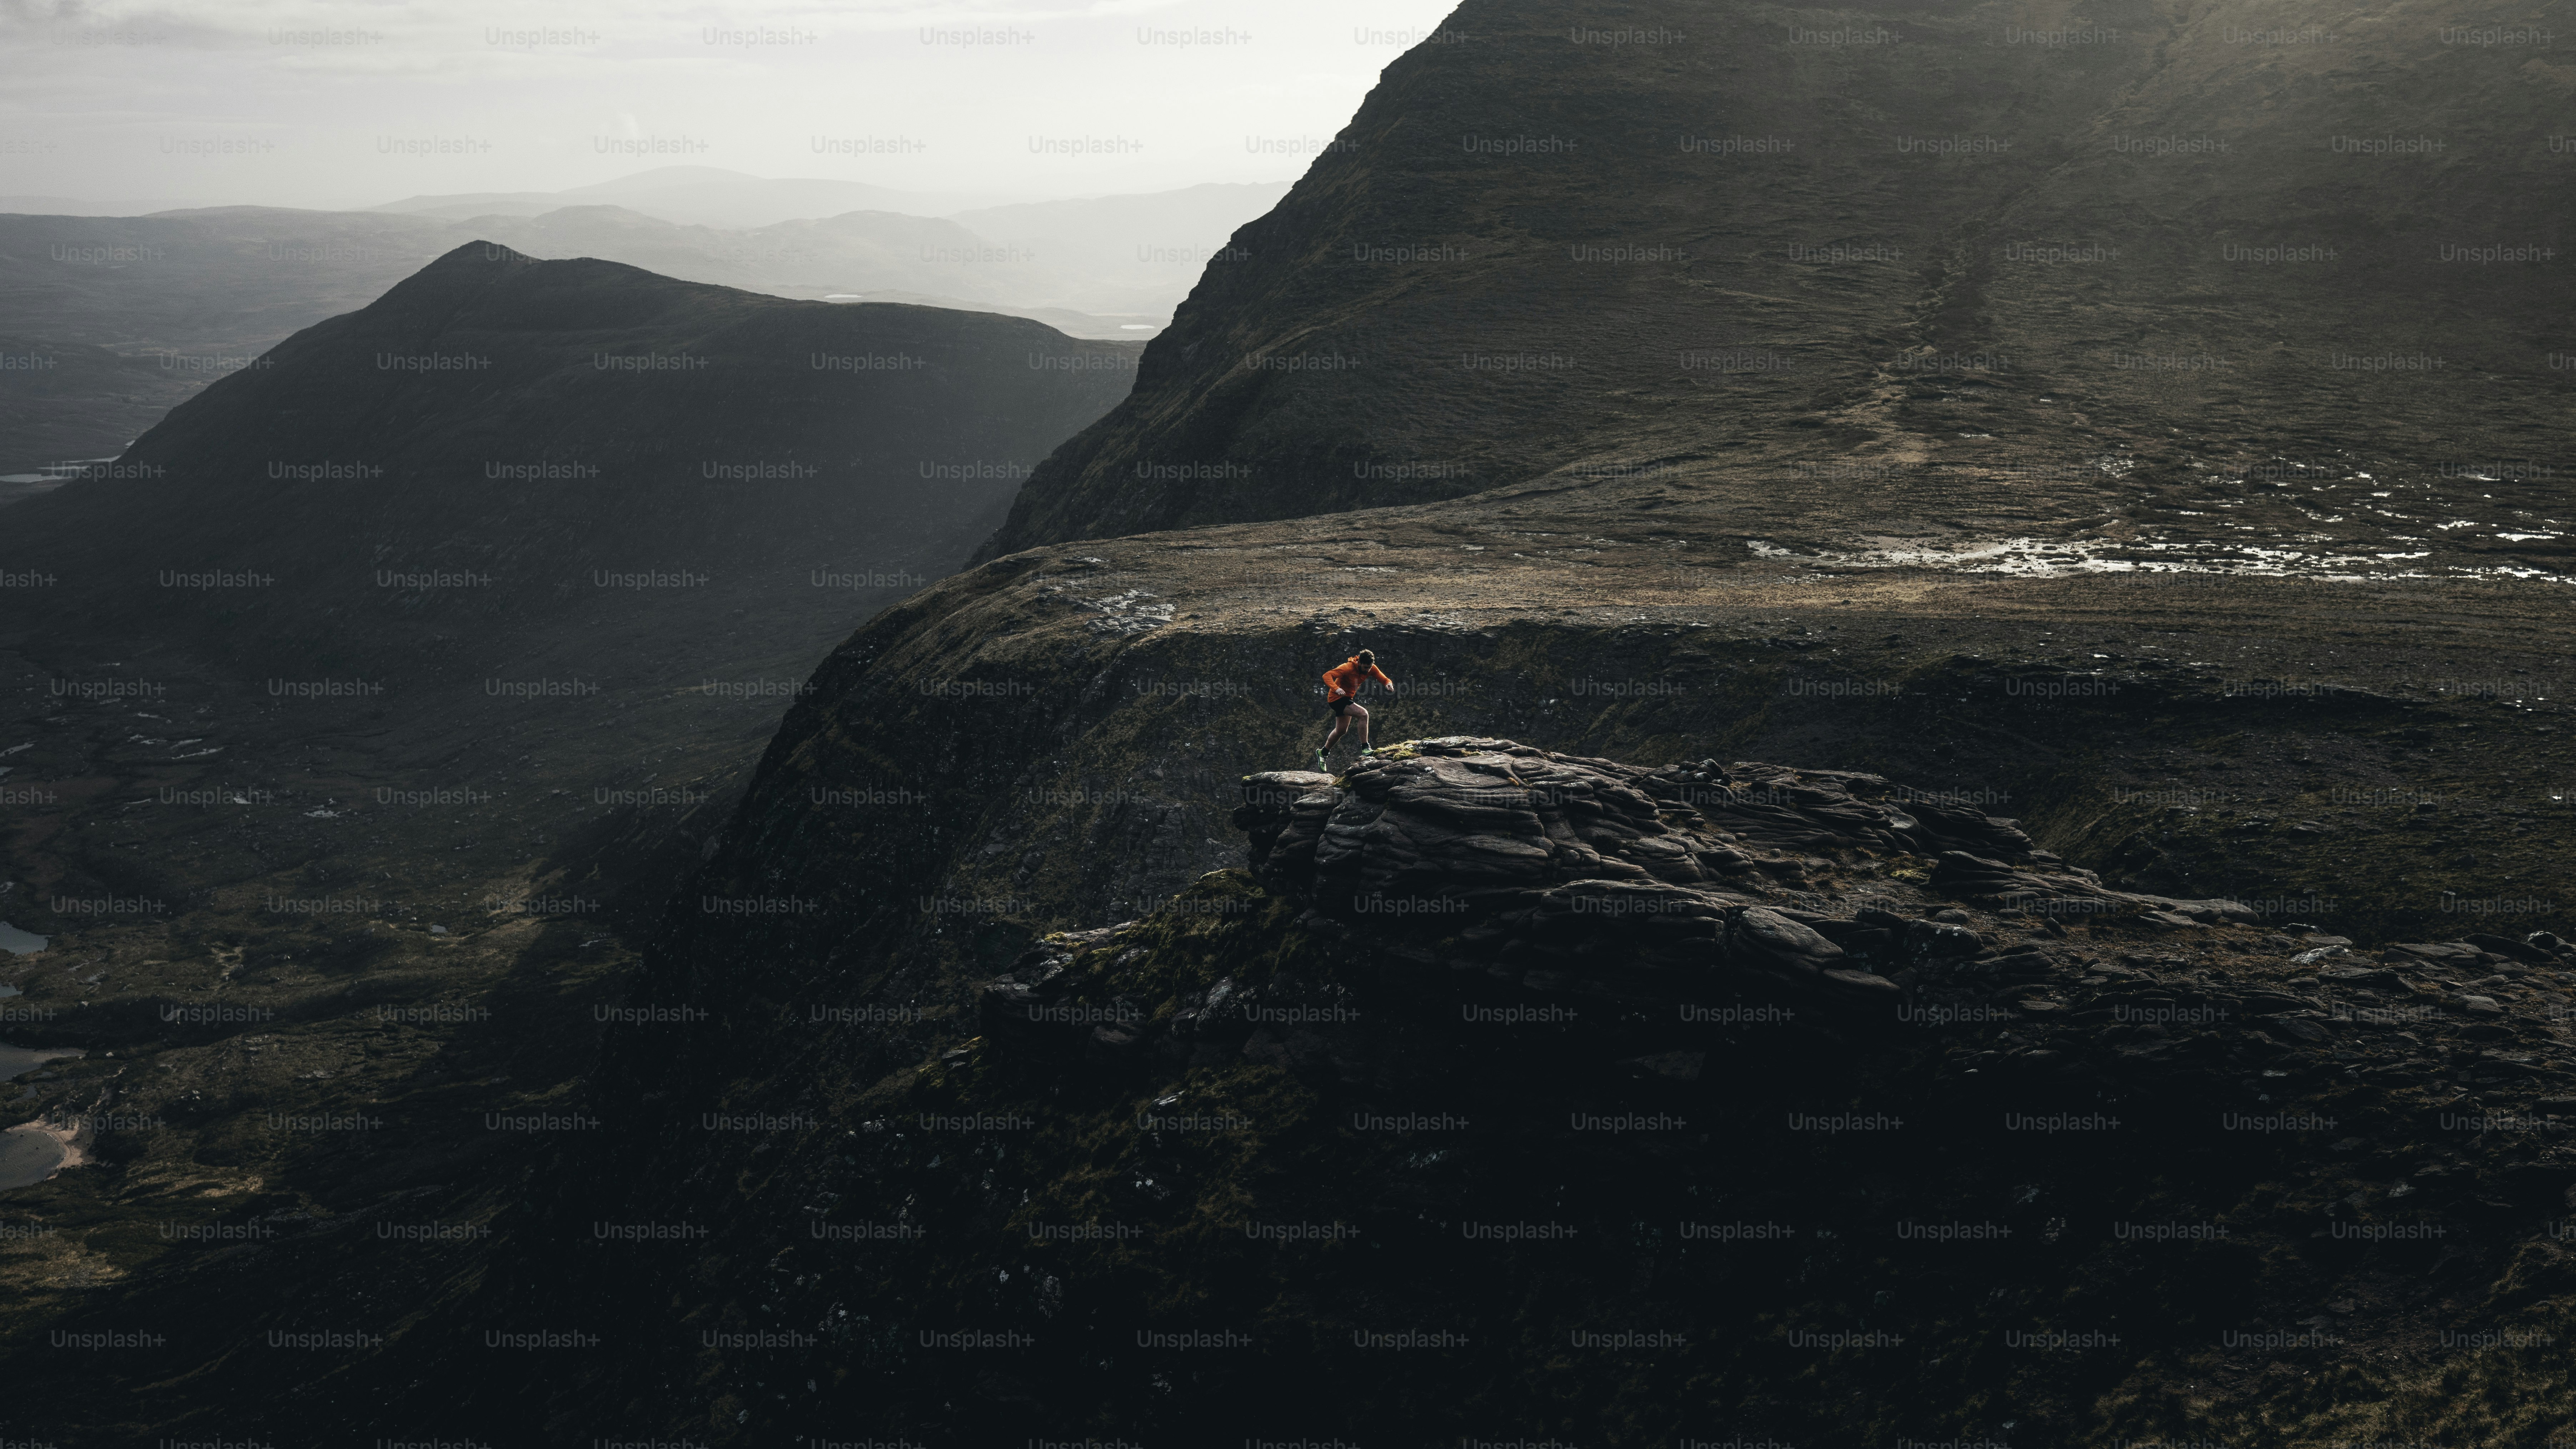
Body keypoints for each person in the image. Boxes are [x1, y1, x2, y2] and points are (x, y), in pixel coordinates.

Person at [1315, 649, 1394, 769]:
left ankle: (1323, 753)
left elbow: (1383, 678)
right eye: (1366, 667)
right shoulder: (1347, 668)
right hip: (1336, 698)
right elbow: (1327, 676)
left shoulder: (1371, 668)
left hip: (1346, 699)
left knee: (1341, 731)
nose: (1368, 670)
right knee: (1364, 714)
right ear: (1359, 663)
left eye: (1370, 667)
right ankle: (1365, 747)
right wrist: (1336, 688)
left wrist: (1388, 684)